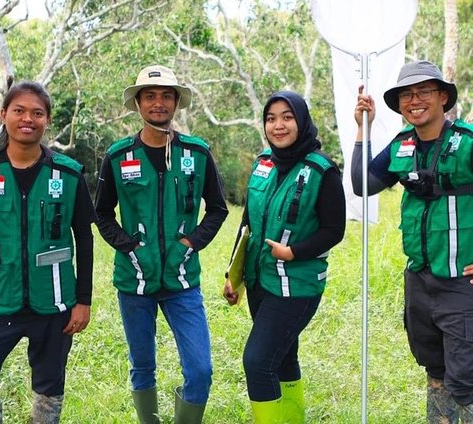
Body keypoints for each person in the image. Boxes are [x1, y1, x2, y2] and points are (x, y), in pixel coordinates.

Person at [95, 65, 228, 424]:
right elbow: (102, 213)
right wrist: (128, 246)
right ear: (137, 102)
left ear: (176, 102)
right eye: (150, 96)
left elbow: (217, 209)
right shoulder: (119, 155)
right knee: (142, 366)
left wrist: (191, 242)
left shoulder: (197, 154)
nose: (158, 103)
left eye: (166, 95)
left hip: (182, 281)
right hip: (134, 281)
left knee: (200, 370)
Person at [352, 60, 473, 422]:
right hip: (419, 281)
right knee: (434, 369)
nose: (414, 100)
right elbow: (363, 184)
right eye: (406, 94)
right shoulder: (402, 145)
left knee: (465, 377)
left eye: (423, 91)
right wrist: (363, 130)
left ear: (442, 97)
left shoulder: (465, 143)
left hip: (460, 282)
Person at [223, 90, 346, 423]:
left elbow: (334, 230)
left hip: (298, 285)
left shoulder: (323, 171)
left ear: (302, 121)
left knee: (258, 361)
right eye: (271, 118)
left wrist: (294, 252)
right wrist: (232, 276)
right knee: (284, 356)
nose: (278, 125)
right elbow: (248, 222)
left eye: (287, 117)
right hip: (260, 279)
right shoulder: (263, 164)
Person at [0, 81, 95, 424]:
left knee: (50, 388)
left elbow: (84, 236)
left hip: (53, 301)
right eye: (19, 110)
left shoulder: (67, 173)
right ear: (3, 114)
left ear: (47, 120)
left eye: (37, 113)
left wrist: (84, 300)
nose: (27, 119)